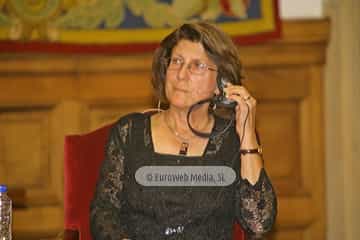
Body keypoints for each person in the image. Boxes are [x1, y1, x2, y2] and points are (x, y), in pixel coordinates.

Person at [90, 22, 277, 240]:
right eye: (177, 61)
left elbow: (259, 222)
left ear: (221, 84)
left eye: (197, 65)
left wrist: (247, 135)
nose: (181, 74)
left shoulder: (233, 141)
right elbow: (104, 211)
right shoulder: (129, 132)